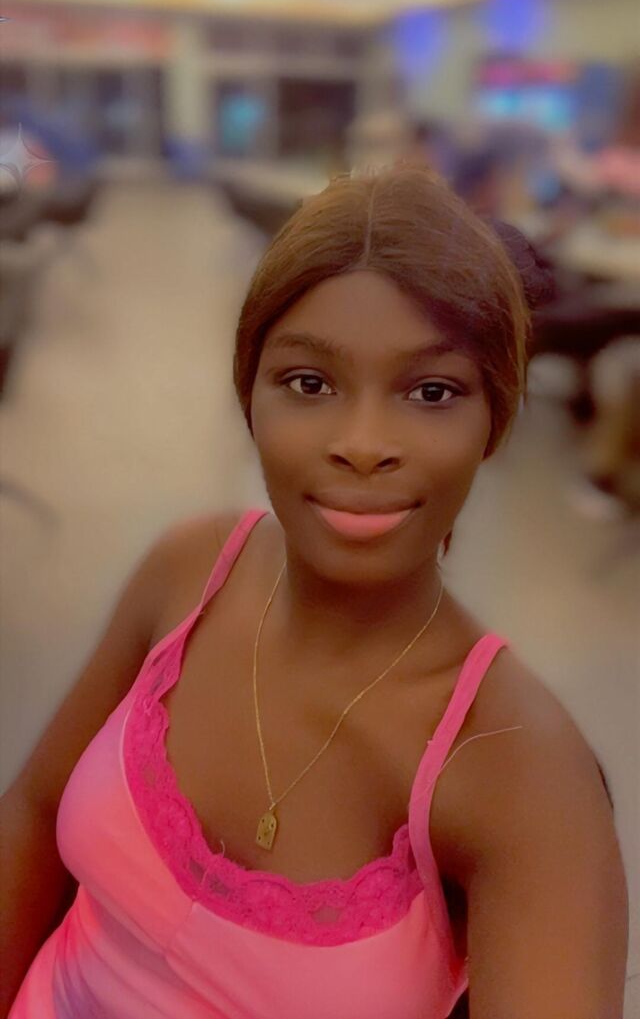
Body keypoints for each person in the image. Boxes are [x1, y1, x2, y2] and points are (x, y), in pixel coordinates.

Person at [0, 162, 628, 1018]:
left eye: (431, 391)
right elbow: (34, 814)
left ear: (494, 419)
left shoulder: (518, 768)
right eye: (309, 383)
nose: (363, 443)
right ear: (249, 395)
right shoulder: (191, 572)